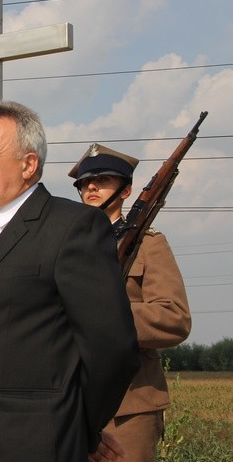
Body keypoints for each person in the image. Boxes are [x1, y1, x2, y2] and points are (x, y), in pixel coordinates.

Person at [0, 101, 139, 462]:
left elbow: (112, 348)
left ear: (28, 164)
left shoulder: (72, 227)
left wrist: (79, 428)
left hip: (35, 445)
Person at [69, 143, 191, 461]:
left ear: (126, 191)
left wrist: (109, 318)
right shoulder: (67, 248)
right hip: (68, 404)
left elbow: (174, 317)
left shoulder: (150, 245)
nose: (91, 186)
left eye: (104, 179)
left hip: (127, 409)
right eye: (84, 182)